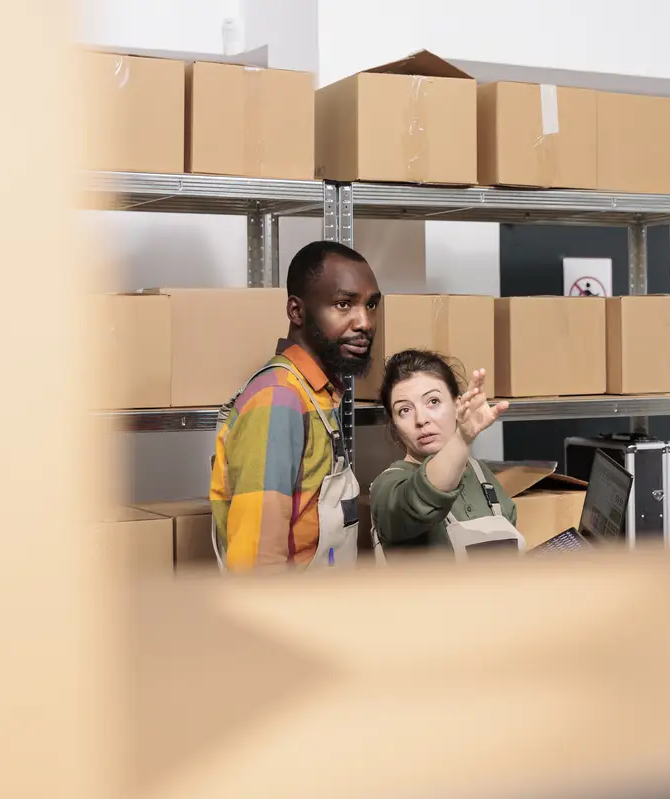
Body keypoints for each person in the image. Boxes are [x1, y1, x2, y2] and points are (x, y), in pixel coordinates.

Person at [210, 241, 381, 572]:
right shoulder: (279, 400)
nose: (364, 323)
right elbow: (257, 565)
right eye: (343, 304)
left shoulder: (318, 392)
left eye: (371, 305)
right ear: (296, 312)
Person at [369, 349, 522, 562]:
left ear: (457, 404)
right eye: (404, 410)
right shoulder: (388, 486)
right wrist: (463, 437)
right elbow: (420, 500)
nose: (421, 419)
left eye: (433, 401)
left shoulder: (481, 474)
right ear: (394, 424)